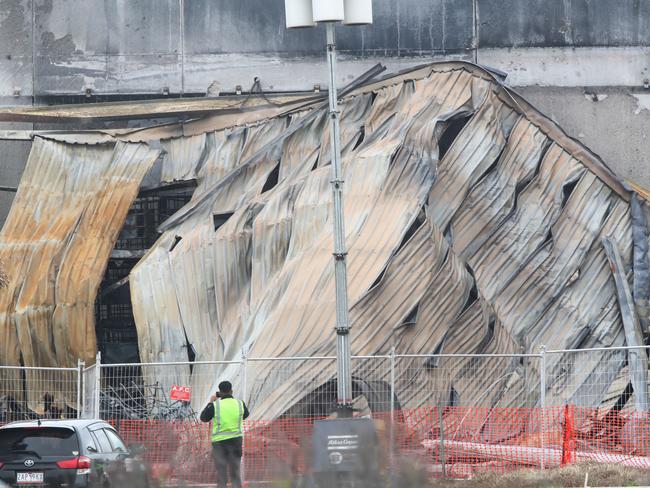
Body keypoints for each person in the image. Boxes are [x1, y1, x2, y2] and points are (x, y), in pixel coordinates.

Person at [200, 380, 250, 488]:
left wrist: (210, 402)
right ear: (231, 391)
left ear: (219, 392)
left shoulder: (215, 405)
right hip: (236, 440)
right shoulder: (239, 403)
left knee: (221, 473)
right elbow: (245, 415)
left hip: (219, 443)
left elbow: (203, 418)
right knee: (235, 472)